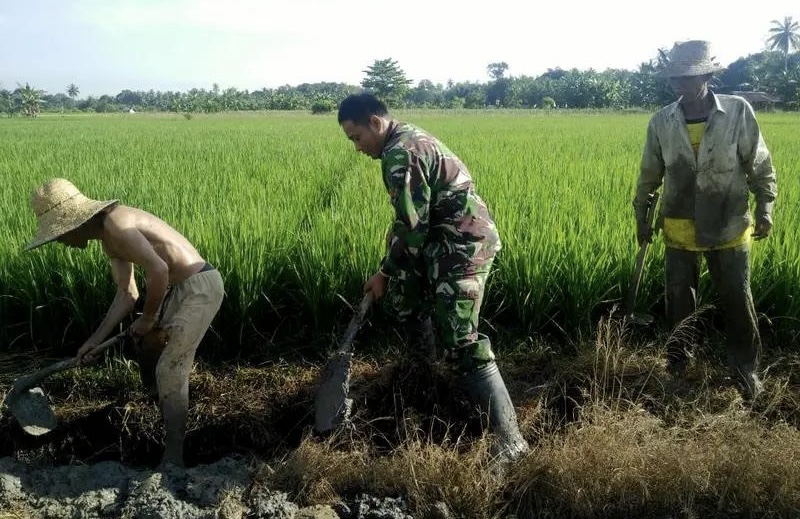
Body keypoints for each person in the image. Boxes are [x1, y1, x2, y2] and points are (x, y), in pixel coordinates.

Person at [337, 93, 528, 462]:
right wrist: (394, 275)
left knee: (460, 338)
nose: (358, 148)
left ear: (376, 123)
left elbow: (412, 228)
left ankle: (510, 440)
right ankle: (424, 385)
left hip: (461, 247)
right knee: (406, 302)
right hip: (438, 245)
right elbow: (410, 225)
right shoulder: (407, 139)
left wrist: (383, 272)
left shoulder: (400, 153)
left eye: (357, 137)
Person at [24, 178, 225, 467]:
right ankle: (159, 404)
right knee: (146, 345)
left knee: (170, 368)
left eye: (59, 235)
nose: (61, 242)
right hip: (178, 289)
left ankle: (173, 458)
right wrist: (95, 339)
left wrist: (148, 318)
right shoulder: (109, 241)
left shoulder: (117, 224)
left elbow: (159, 269)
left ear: (73, 223)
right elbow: (127, 294)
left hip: (199, 287)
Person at [634, 40, 777, 400]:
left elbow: (759, 164)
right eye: (675, 77)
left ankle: (745, 370)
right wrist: (642, 215)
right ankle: (680, 365)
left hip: (728, 221)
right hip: (679, 222)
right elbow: (650, 174)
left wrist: (766, 207)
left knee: (736, 298)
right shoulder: (662, 121)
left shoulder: (737, 112)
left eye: (687, 76)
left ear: (709, 76)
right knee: (679, 300)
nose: (679, 83)